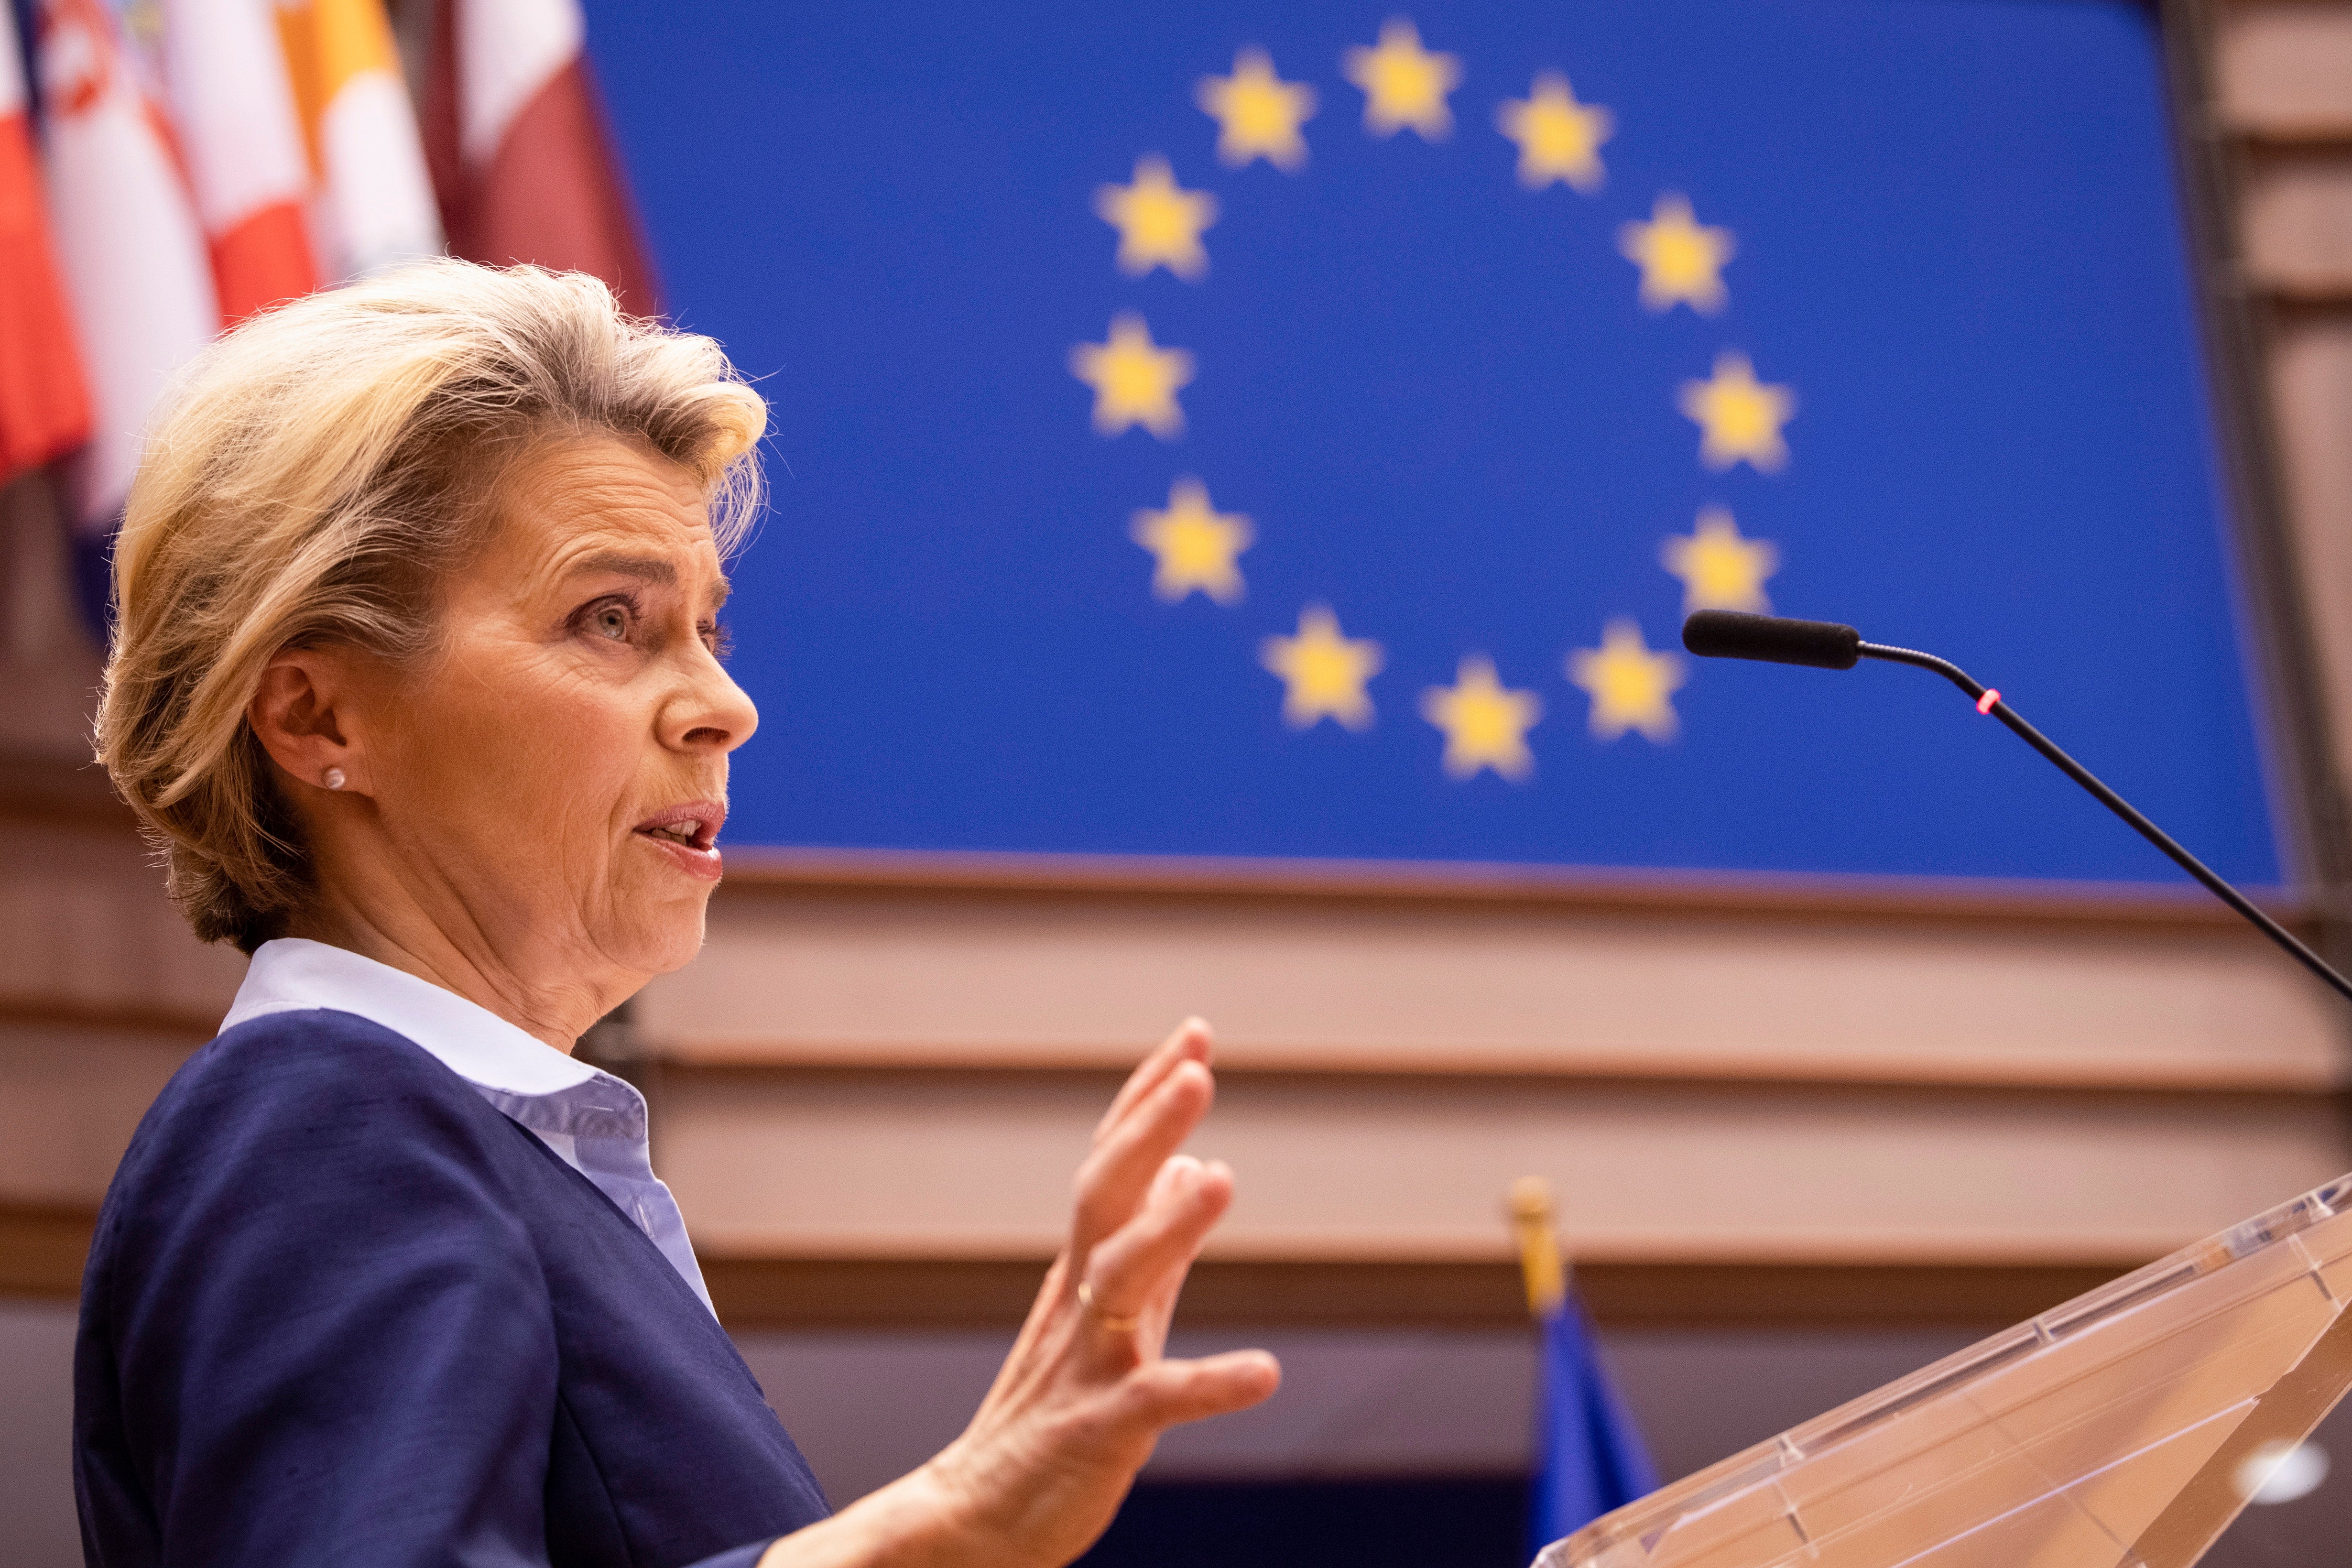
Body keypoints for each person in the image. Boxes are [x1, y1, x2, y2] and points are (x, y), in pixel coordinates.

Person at [79, 259, 1280, 1568]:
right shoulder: (319, 1119)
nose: (726, 704)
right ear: (318, 716)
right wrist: (939, 1536)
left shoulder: (502, 1163)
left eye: (707, 627)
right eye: (612, 620)